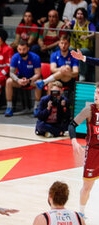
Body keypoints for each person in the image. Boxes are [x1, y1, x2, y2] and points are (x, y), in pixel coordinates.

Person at [68, 82, 99, 218]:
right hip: (93, 151)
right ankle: (81, 212)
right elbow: (71, 125)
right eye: (96, 93)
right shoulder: (89, 110)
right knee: (87, 187)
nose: (96, 96)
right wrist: (74, 141)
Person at [5, 41, 42, 117]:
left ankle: (36, 107)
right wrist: (18, 80)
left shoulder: (35, 57)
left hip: (32, 80)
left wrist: (30, 80)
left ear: (28, 49)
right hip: (20, 80)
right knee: (9, 81)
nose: (22, 51)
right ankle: (9, 107)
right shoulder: (15, 57)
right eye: (20, 49)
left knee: (39, 82)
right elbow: (11, 73)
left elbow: (37, 74)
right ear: (17, 49)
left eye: (24, 49)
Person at [66, 7, 95, 82]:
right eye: (78, 14)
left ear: (84, 15)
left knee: (81, 52)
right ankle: (69, 70)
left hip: (86, 48)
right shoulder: (73, 23)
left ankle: (82, 75)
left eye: (81, 14)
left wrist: (87, 36)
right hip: (74, 46)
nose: (79, 16)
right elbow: (66, 28)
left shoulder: (89, 24)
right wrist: (67, 26)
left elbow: (94, 33)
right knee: (68, 50)